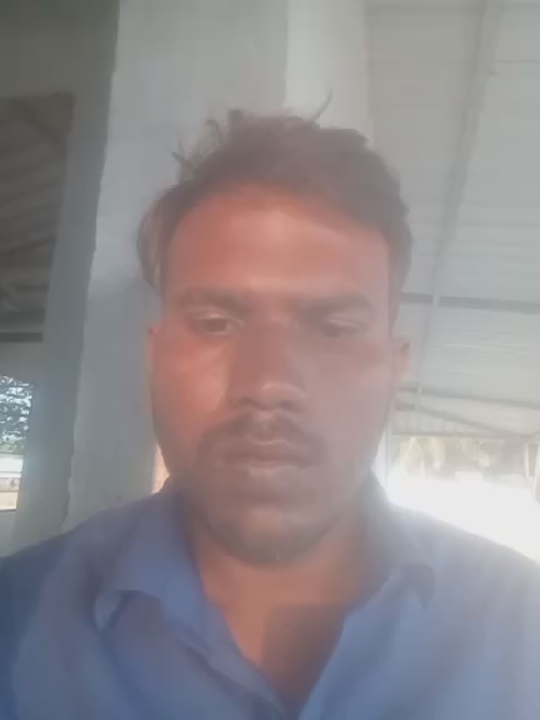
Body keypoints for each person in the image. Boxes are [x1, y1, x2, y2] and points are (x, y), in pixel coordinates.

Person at [1, 112, 539, 720]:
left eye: (333, 328)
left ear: (395, 369)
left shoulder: (524, 628)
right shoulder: (16, 623)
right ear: (157, 357)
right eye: (215, 324)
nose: (267, 384)